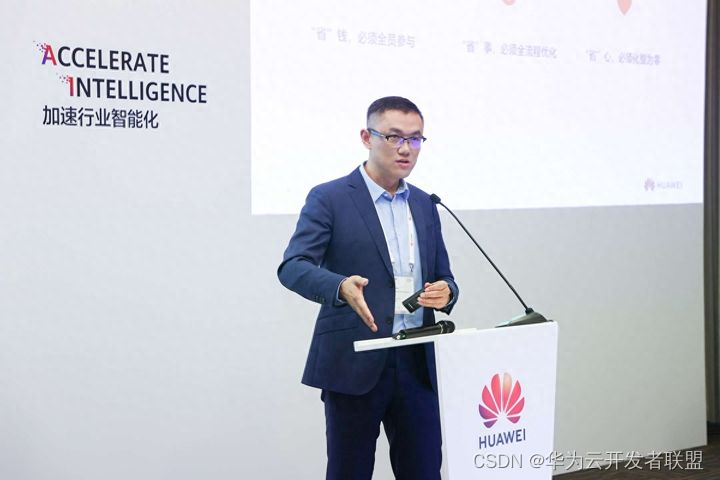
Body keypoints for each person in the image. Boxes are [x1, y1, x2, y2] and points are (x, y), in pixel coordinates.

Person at [277, 96, 459, 480]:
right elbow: (293, 266)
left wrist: (447, 292)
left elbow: (445, 275)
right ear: (366, 137)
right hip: (355, 360)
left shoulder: (425, 204)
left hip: (416, 362)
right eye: (394, 137)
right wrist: (340, 285)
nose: (406, 148)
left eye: (415, 139)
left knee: (425, 471)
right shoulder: (330, 197)